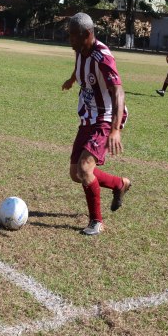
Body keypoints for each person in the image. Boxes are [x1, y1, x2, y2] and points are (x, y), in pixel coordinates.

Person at [61, 12, 130, 236]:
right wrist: (72, 79)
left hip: (106, 118)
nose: (70, 40)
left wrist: (116, 129)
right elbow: (80, 66)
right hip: (88, 117)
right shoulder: (81, 50)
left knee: (84, 168)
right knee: (75, 173)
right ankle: (119, 184)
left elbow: (118, 90)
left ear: (88, 34)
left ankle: (96, 222)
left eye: (74, 36)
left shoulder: (103, 57)